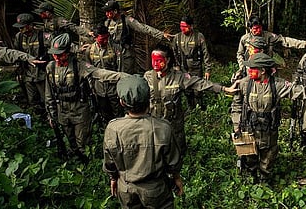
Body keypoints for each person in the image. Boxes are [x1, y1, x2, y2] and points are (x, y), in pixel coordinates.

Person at [45, 33, 128, 162]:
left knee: (82, 141)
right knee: (70, 139)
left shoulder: (79, 65)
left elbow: (100, 73)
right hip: (62, 110)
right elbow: (48, 92)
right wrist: (51, 114)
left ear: (67, 52)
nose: (56, 57)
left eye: (60, 54)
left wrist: (124, 76)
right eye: (54, 54)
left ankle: (86, 164)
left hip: (79, 110)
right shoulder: (50, 67)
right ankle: (74, 162)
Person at [103, 75, 183, 209]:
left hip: (126, 189)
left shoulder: (113, 128)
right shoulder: (162, 127)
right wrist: (176, 178)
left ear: (122, 103)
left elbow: (110, 161)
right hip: (156, 190)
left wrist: (113, 178)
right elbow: (173, 162)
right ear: (148, 99)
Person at [143, 44, 239, 155]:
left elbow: (200, 83)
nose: (155, 64)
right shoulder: (148, 77)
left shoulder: (179, 77)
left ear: (168, 60)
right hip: (154, 125)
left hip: (173, 127)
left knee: (177, 155)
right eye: (153, 60)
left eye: (159, 60)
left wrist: (224, 89)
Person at [230, 52, 299, 183]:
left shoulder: (277, 85)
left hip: (269, 128)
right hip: (249, 128)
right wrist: (236, 125)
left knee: (268, 155)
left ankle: (264, 179)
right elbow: (236, 105)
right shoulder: (245, 83)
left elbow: (302, 91)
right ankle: (252, 177)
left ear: (262, 71)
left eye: (252, 68)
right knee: (250, 155)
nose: (249, 71)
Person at [102, 0, 171, 74]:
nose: (106, 14)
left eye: (109, 11)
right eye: (106, 12)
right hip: (113, 53)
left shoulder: (127, 20)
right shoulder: (107, 23)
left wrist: (161, 34)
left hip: (125, 53)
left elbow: (143, 28)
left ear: (115, 11)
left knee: (126, 75)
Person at [236, 15, 306, 77]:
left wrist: (304, 44)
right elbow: (240, 54)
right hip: (250, 70)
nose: (258, 31)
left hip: (266, 69)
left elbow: (285, 40)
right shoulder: (245, 39)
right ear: (250, 28)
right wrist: (242, 67)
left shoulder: (269, 36)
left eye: (260, 28)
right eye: (255, 29)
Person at [83, 23, 123, 124]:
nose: (105, 41)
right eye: (102, 39)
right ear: (95, 38)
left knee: (118, 113)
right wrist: (92, 88)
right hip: (99, 89)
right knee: (104, 113)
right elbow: (89, 71)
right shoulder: (89, 51)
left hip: (114, 88)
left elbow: (120, 69)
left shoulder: (115, 48)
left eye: (106, 38)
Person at [171, 15, 212, 108]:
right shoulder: (178, 37)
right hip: (183, 68)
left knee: (198, 89)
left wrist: (207, 70)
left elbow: (205, 53)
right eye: (181, 26)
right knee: (187, 90)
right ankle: (191, 108)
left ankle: (200, 109)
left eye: (184, 26)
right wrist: (176, 66)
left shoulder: (198, 36)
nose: (182, 29)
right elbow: (173, 53)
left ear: (191, 26)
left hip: (196, 67)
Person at [13, 13, 51, 111]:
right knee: (32, 101)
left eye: (23, 27)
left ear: (30, 26)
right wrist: (18, 70)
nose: (20, 30)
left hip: (42, 73)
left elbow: (56, 46)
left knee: (47, 99)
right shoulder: (19, 37)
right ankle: (36, 119)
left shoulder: (42, 35)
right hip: (27, 74)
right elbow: (17, 53)